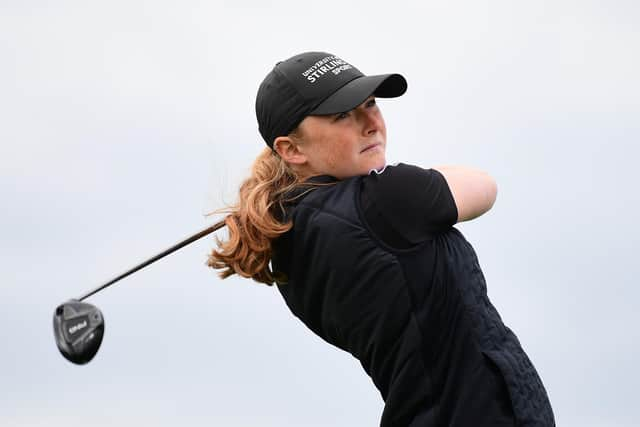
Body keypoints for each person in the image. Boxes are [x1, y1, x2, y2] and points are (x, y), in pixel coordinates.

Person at [208, 51, 555, 426]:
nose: (370, 123)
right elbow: (483, 186)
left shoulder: (288, 240)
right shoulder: (385, 200)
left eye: (370, 103)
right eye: (342, 115)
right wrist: (392, 178)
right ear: (291, 150)